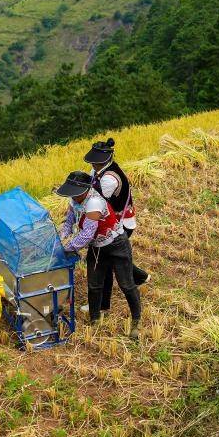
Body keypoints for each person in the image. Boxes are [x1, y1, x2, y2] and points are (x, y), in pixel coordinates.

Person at [55, 170, 141, 339]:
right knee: (94, 285)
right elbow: (69, 222)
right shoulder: (74, 201)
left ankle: (136, 321)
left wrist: (66, 248)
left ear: (85, 190)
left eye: (75, 193)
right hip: (97, 248)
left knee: (126, 284)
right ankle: (95, 320)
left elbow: (87, 234)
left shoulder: (94, 203)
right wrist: (60, 238)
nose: (72, 197)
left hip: (116, 245)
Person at [85, 138, 149, 315]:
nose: (92, 163)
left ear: (105, 160)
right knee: (110, 261)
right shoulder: (97, 170)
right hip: (110, 222)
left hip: (121, 224)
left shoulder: (110, 179)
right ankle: (141, 277)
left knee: (105, 264)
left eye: (95, 161)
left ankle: (103, 306)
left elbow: (94, 202)